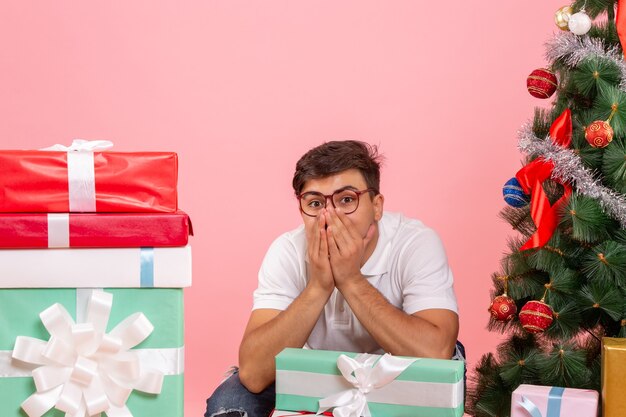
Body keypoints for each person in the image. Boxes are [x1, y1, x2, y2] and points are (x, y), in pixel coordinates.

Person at [205, 140, 463, 417]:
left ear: (377, 206)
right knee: (230, 402)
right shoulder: (288, 250)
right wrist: (319, 285)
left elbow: (435, 353)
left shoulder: (415, 243)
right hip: (312, 368)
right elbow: (254, 373)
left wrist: (351, 279)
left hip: (396, 369)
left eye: (347, 200)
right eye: (315, 203)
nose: (330, 216)